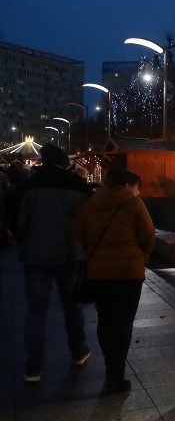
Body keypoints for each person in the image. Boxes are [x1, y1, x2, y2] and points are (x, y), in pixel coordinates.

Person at [16, 144, 91, 383]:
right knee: (72, 305)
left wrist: (25, 242)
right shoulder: (76, 186)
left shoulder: (29, 186)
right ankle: (78, 351)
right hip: (69, 255)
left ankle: (34, 367)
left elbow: (19, 223)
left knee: (36, 311)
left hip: (35, 256)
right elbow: (86, 221)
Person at [78, 169, 156, 395]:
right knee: (123, 322)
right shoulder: (134, 204)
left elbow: (81, 235)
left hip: (98, 272)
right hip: (128, 273)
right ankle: (116, 374)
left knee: (105, 320)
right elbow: (148, 235)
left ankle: (109, 366)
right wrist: (142, 256)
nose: (138, 191)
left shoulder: (90, 204)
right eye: (137, 186)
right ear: (129, 186)